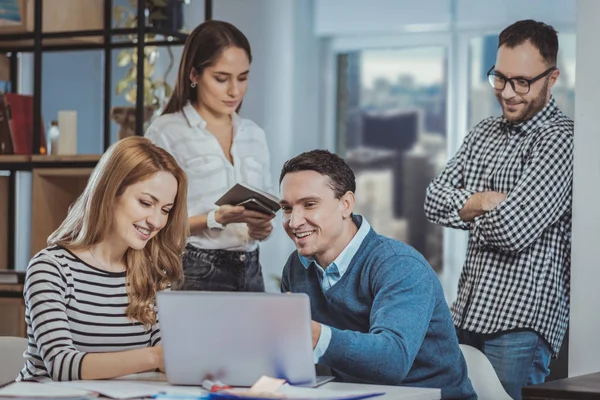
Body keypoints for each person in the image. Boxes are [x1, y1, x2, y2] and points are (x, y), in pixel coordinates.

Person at [424, 20, 573, 399]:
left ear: (551, 78)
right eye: (500, 78)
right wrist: (485, 201)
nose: (507, 92)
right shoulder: (482, 132)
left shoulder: (561, 140)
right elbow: (431, 200)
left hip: (521, 325)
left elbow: (512, 231)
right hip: (467, 313)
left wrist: (465, 209)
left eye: (522, 81)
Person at [279, 150, 476, 400]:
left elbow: (393, 360)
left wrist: (316, 336)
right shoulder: (297, 266)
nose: (294, 222)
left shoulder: (399, 265)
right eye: (286, 208)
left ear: (346, 204)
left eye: (309, 204)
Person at [17, 137, 189, 381]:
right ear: (110, 192)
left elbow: (171, 359)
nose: (156, 221)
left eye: (165, 210)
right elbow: (62, 365)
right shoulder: (51, 268)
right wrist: (155, 358)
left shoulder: (153, 275)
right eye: (146, 203)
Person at [146, 20, 274, 292]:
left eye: (243, 78)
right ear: (194, 75)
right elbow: (151, 220)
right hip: (195, 269)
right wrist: (214, 218)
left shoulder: (254, 134)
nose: (234, 91)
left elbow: (263, 211)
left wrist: (261, 229)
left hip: (251, 269)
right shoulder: (166, 132)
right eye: (221, 78)